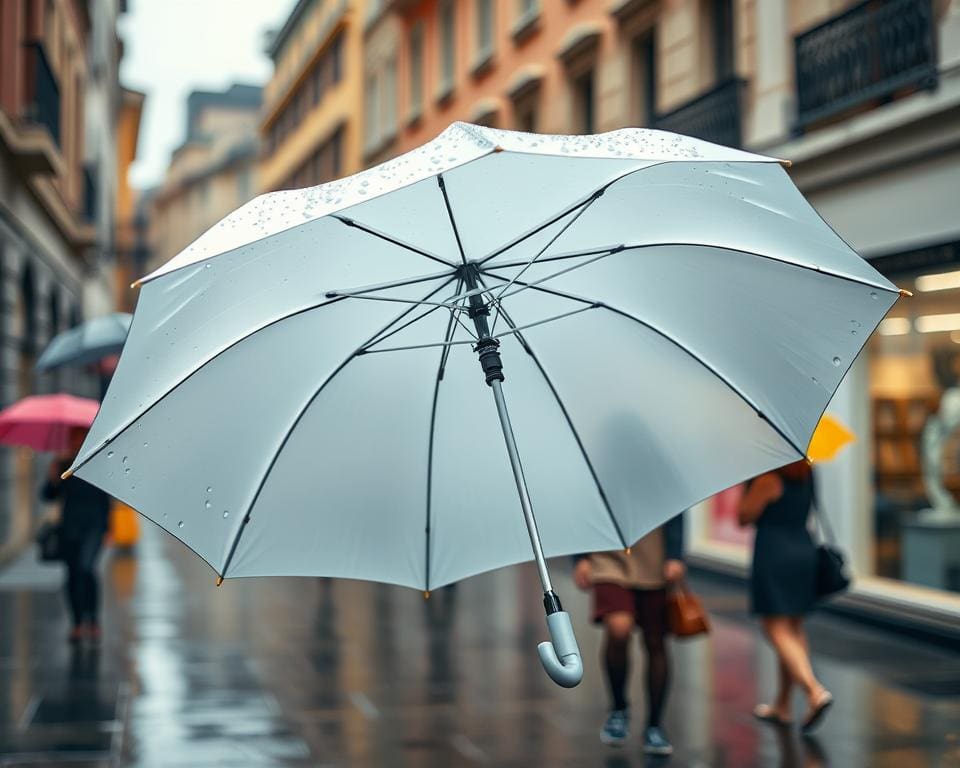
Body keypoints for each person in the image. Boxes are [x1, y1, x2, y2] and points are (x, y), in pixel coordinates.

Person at [573, 513, 685, 755]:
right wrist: (580, 558)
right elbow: (583, 506)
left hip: (653, 555)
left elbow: (676, 507)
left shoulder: (660, 474)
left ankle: (655, 725)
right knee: (618, 629)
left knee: (655, 641)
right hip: (606, 556)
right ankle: (618, 708)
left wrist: (675, 554)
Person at [738, 460, 833, 732]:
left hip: (774, 553)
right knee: (793, 627)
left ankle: (814, 691)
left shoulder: (767, 479)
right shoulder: (807, 470)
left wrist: (746, 488)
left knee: (774, 628)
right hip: (803, 549)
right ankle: (782, 705)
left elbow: (744, 517)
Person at [42, 427, 111, 642]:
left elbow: (105, 499)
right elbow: (48, 496)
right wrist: (53, 476)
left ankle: (92, 619)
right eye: (72, 438)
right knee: (72, 574)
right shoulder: (63, 466)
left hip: (94, 527)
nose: (75, 442)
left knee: (86, 568)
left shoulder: (97, 462)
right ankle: (77, 623)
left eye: (79, 437)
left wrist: (108, 528)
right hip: (69, 528)